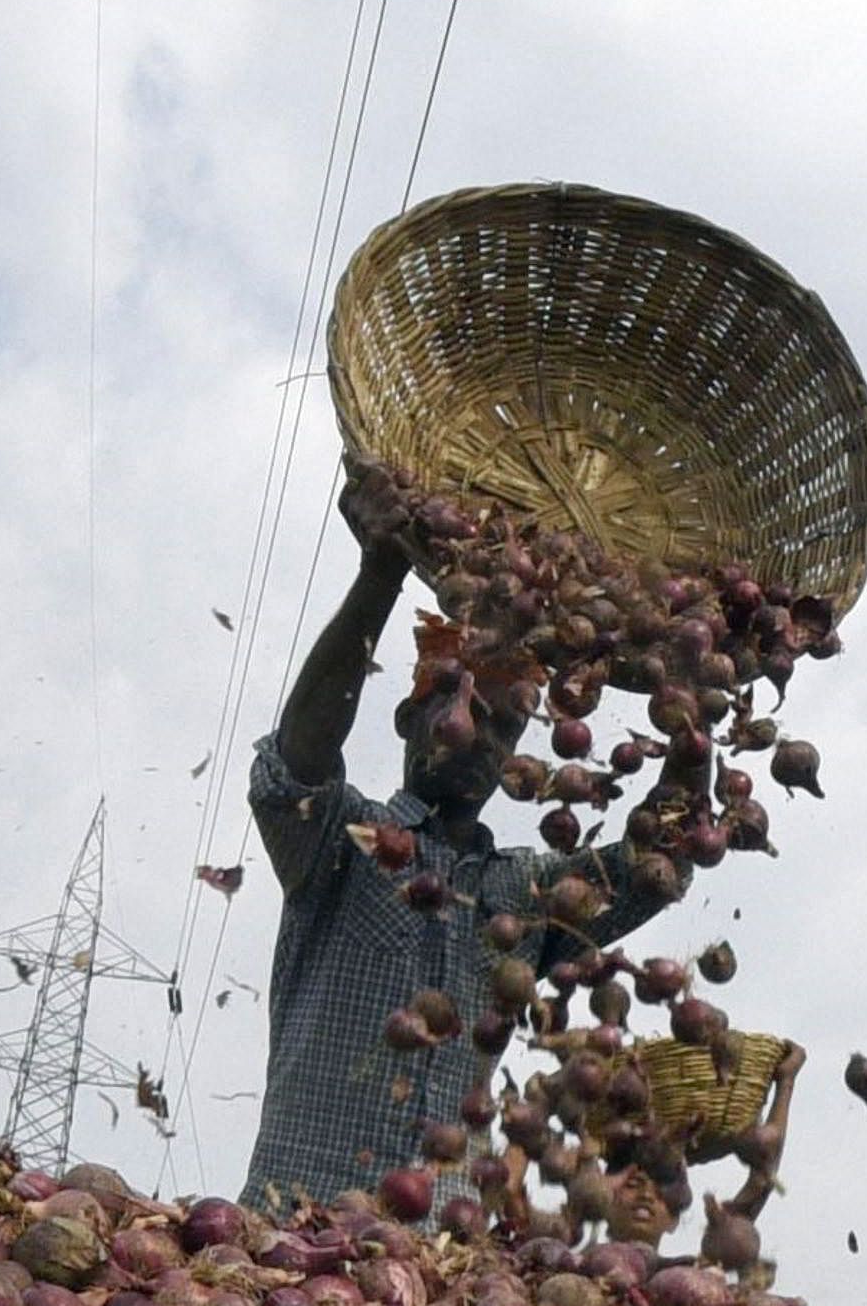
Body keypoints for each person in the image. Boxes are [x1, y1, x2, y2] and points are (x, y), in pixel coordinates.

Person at [238, 485, 663, 1208]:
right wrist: (381, 574)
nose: (479, 735)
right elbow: (293, 764)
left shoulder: (529, 893)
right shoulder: (341, 840)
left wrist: (687, 709)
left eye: (504, 726)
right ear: (408, 716)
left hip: (442, 1254)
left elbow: (655, 869)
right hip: (297, 1225)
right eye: (456, 704)